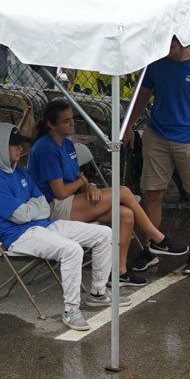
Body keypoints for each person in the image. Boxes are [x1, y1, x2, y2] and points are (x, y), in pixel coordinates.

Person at [26, 99, 186, 287]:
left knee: (125, 214)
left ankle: (119, 272)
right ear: (51, 124)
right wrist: (83, 182)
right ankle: (158, 238)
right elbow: (60, 192)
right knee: (124, 192)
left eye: (73, 119)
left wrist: (90, 185)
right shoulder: (46, 148)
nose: (72, 124)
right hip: (53, 208)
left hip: (73, 202)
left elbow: (77, 175)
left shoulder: (67, 143)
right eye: (66, 121)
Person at [125, 36, 190, 277]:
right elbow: (142, 96)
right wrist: (129, 125)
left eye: (171, 44)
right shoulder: (158, 63)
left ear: (185, 41)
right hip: (158, 136)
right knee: (152, 193)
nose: (167, 48)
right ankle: (151, 247)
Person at [0, 124, 122, 331]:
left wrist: (30, 208)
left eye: (21, 144)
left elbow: (43, 207)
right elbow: (19, 217)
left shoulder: (20, 172)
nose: (20, 148)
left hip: (45, 225)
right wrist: (32, 208)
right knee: (71, 249)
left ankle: (98, 293)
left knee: (104, 233)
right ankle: (71, 311)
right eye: (14, 145)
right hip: (17, 236)